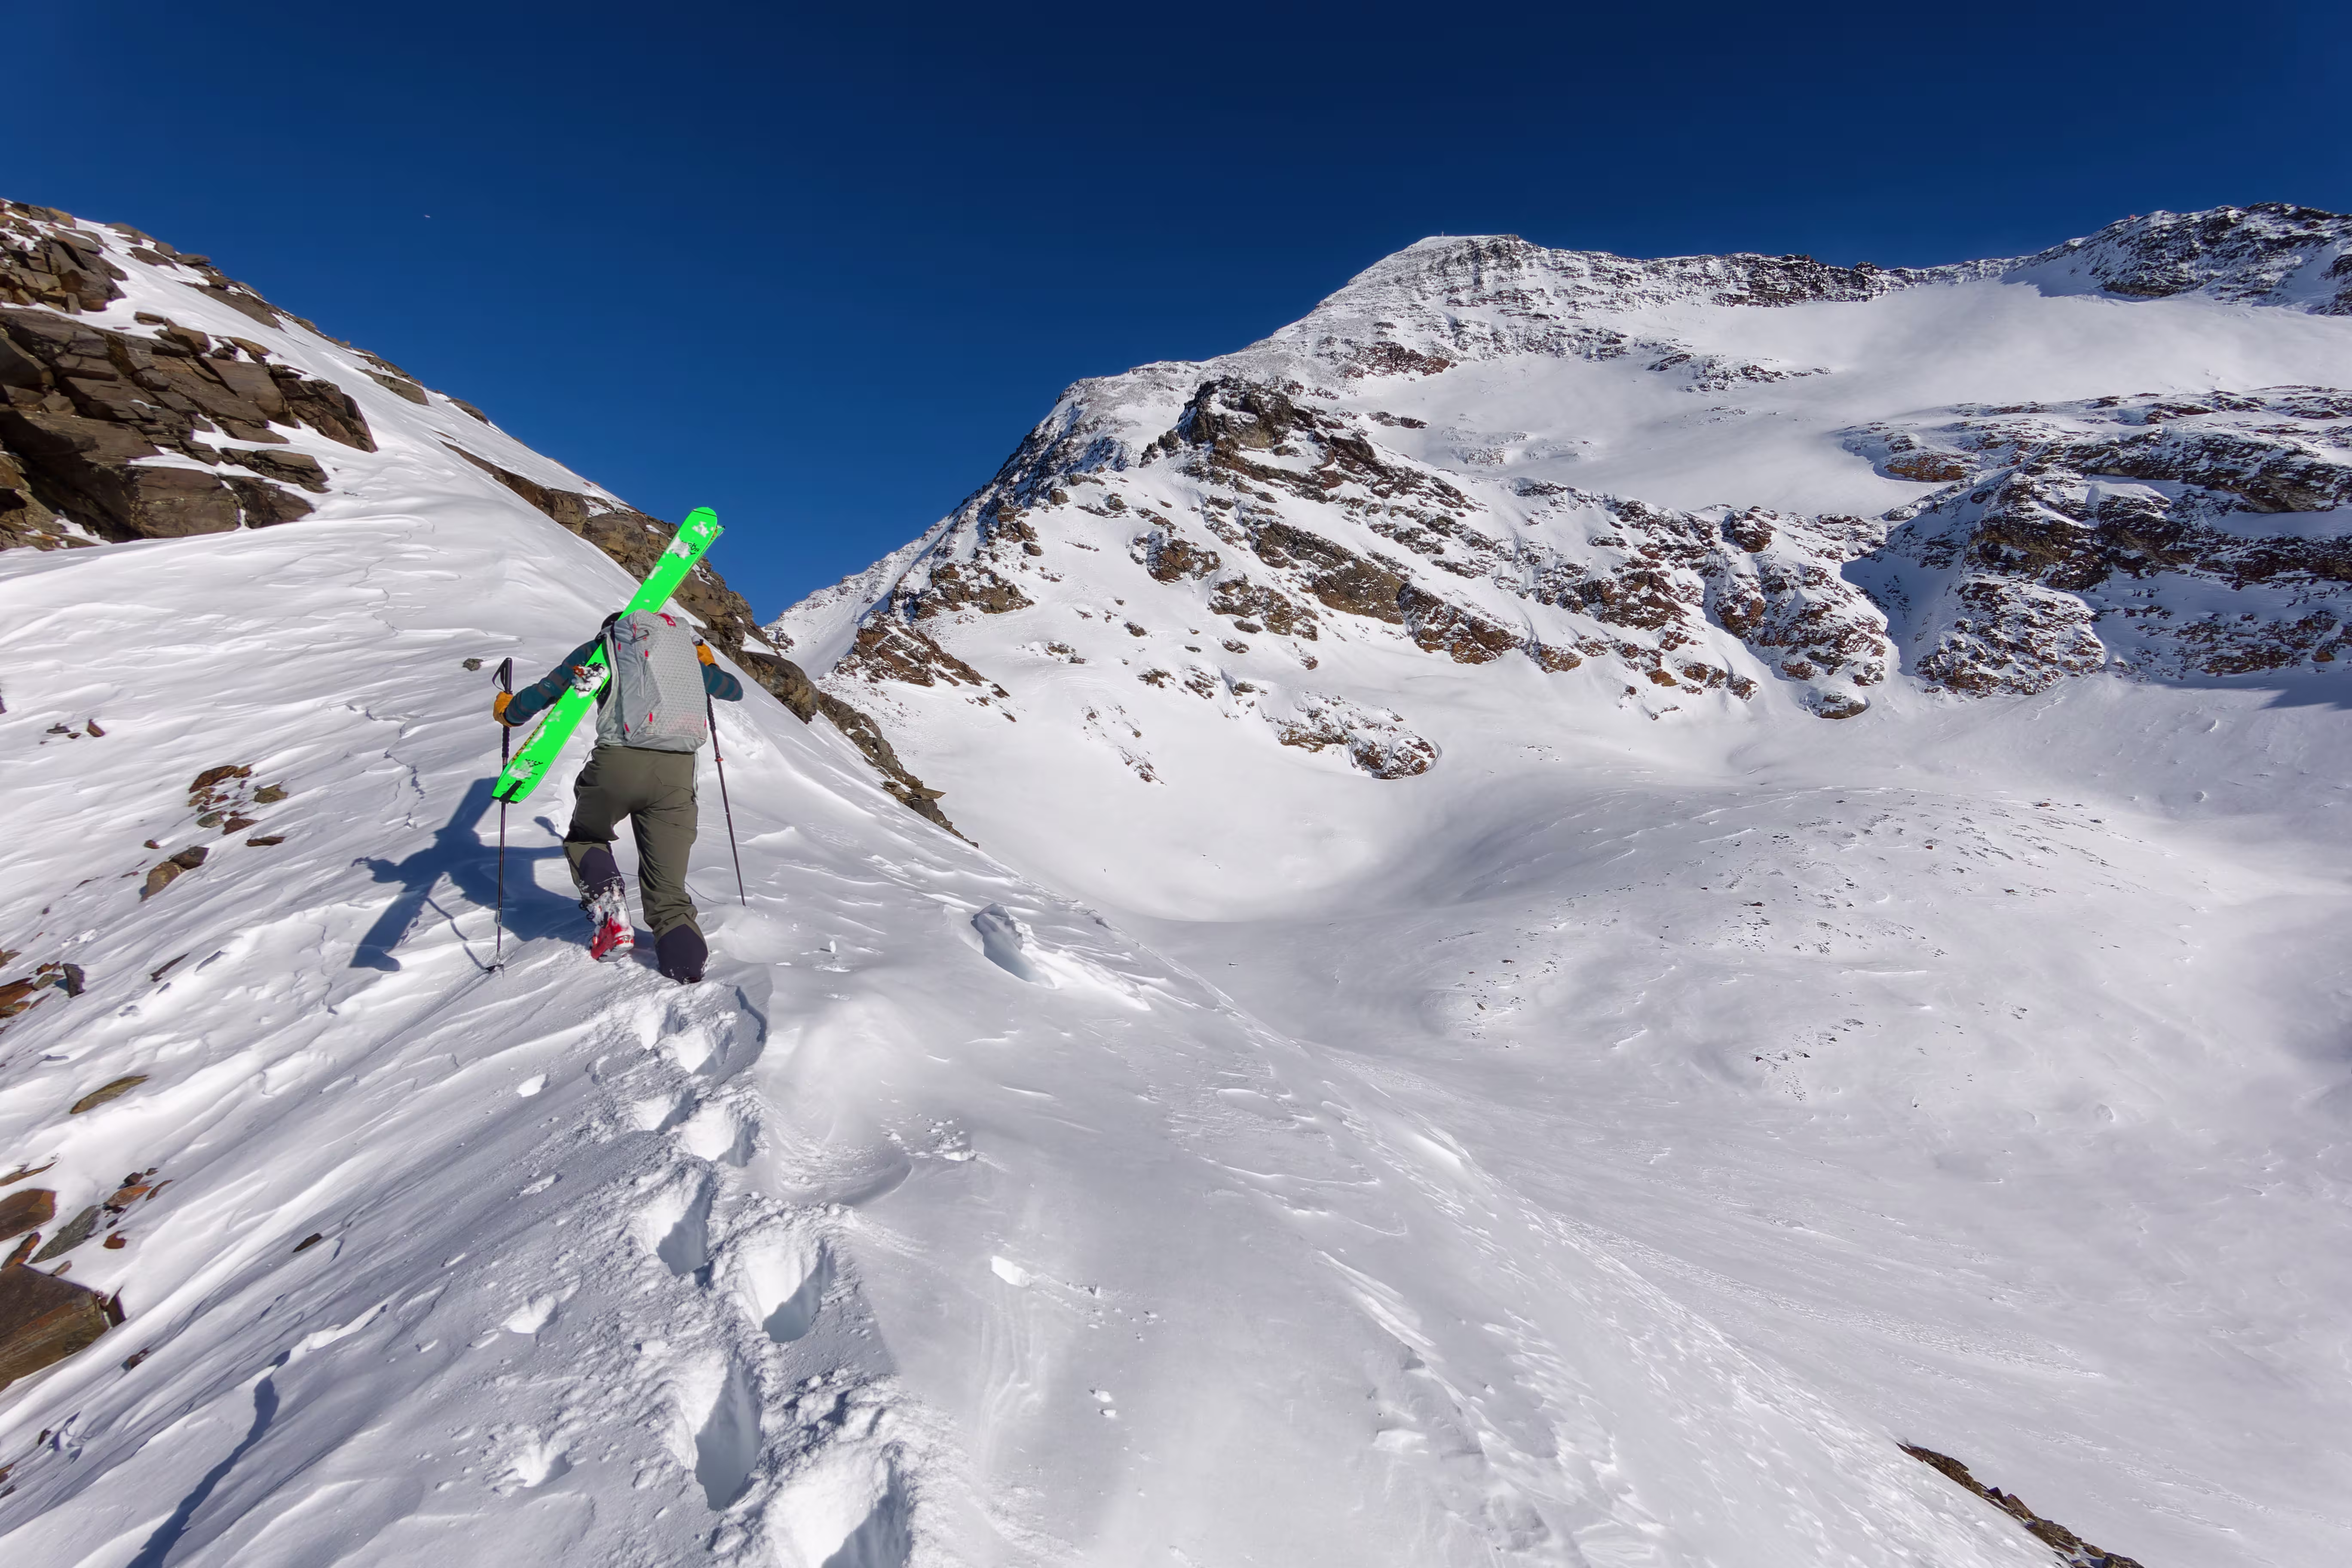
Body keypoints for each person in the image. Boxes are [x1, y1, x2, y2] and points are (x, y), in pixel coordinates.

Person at [496, 609, 743, 982]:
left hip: (617, 764)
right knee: (669, 889)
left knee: (587, 837)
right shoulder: (685, 662)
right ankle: (687, 973)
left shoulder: (602, 650)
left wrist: (508, 712)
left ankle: (608, 902)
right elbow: (733, 690)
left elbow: (548, 692)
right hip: (677, 775)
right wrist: (706, 661)